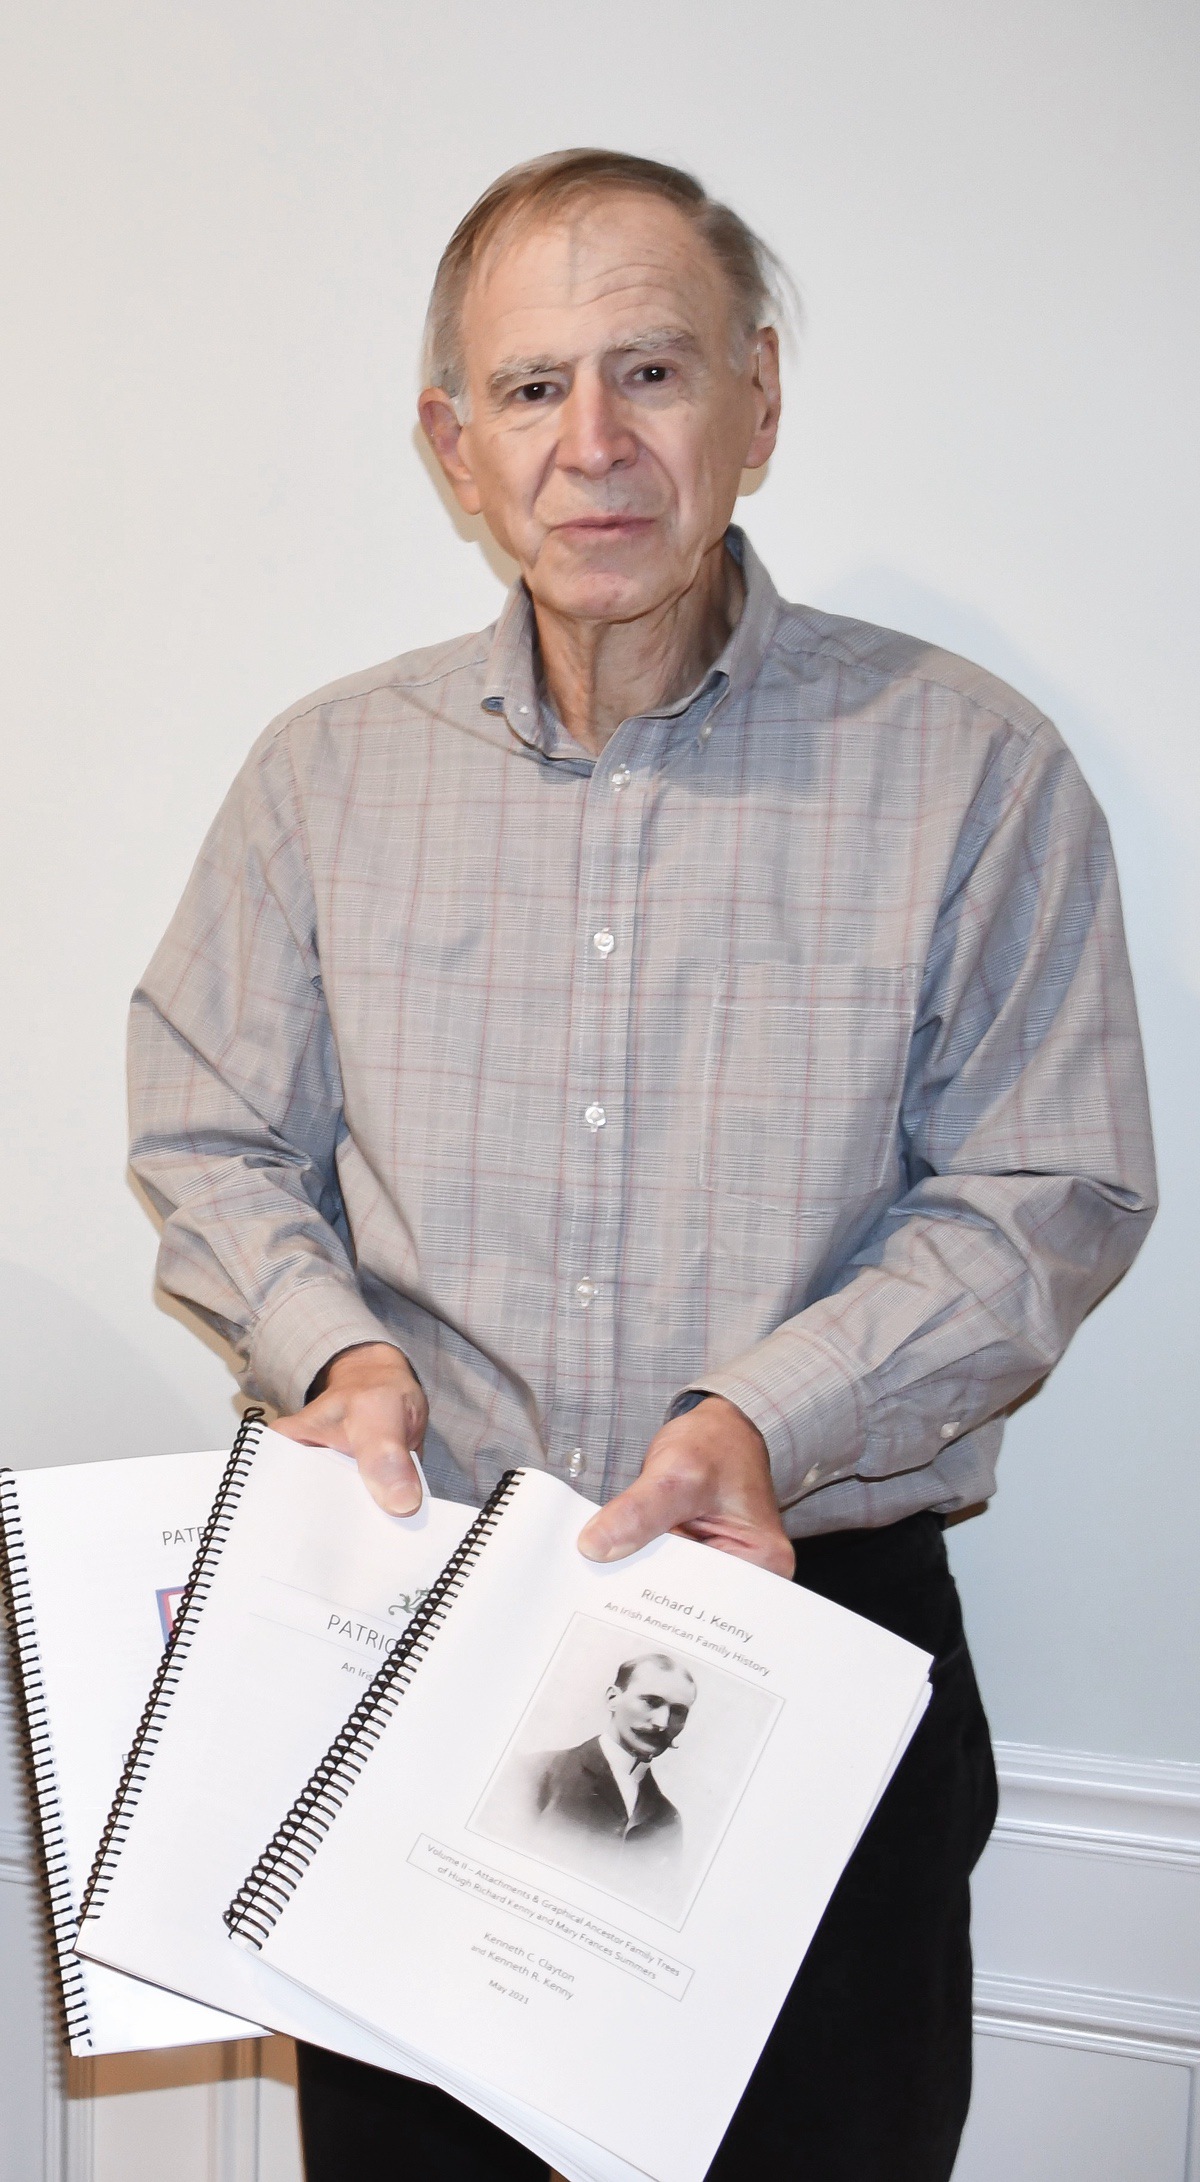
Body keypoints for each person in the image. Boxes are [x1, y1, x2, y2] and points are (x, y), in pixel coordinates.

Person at [128, 148, 1156, 2181]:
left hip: (808, 1654)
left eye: (653, 373)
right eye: (529, 390)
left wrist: (761, 1413)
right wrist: (337, 1353)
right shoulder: (324, 776)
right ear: (453, 442)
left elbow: (1052, 1185)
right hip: (420, 1634)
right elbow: (208, 1124)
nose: (592, 444)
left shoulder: (974, 767)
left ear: (758, 404)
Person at [521, 1651, 696, 1852]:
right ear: (612, 1698)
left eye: (678, 1712)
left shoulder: (668, 1821)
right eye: (651, 1702)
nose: (662, 1723)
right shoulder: (537, 1773)